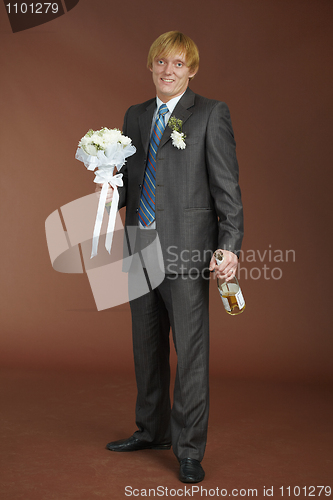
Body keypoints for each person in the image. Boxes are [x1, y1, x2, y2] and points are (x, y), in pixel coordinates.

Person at [99, 31, 243, 483]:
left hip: (187, 249)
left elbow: (228, 192)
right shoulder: (136, 115)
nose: (168, 71)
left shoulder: (211, 114)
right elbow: (133, 180)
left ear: (192, 69)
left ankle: (188, 449)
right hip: (139, 247)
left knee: (191, 354)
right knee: (147, 350)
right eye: (161, 62)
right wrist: (107, 186)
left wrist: (230, 247)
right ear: (151, 66)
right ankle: (152, 429)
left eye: (178, 64)